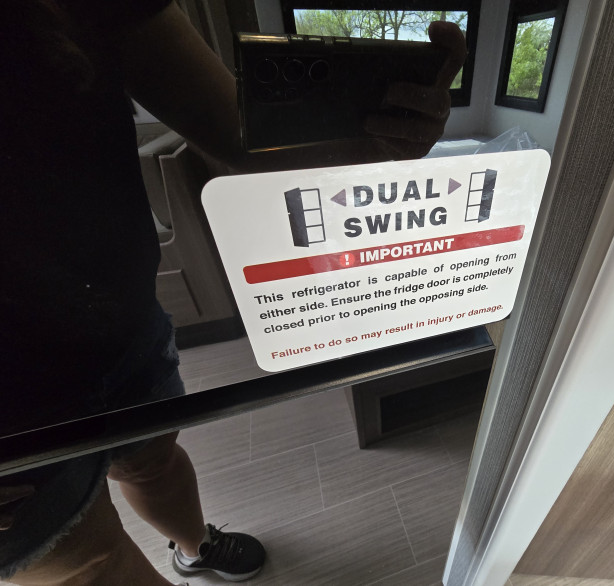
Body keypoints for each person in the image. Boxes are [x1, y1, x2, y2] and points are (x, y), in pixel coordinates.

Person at [0, 1, 466, 584]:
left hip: (120, 317)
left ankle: (194, 548)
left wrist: (370, 140)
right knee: (88, 563)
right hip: (10, 400)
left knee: (152, 463)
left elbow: (233, 128)